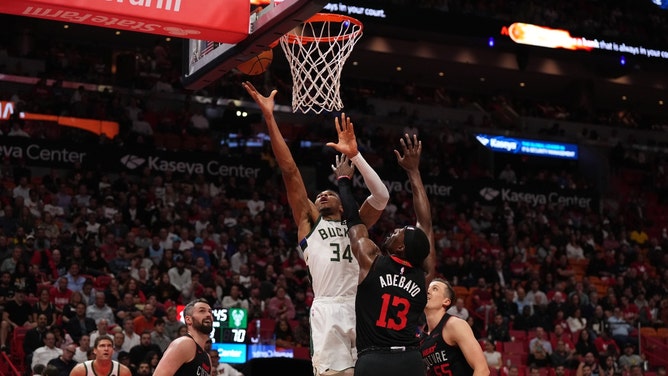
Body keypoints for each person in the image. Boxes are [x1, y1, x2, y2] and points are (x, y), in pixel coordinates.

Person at [242, 82, 389, 376]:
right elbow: (290, 171)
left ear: (342, 202)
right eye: (319, 193)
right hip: (327, 307)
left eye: (330, 192)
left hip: (360, 306)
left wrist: (356, 156)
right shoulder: (310, 221)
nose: (323, 195)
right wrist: (270, 118)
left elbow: (382, 197)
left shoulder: (356, 224)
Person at [333, 133, 436, 376]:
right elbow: (426, 223)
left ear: (401, 248)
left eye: (399, 232)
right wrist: (414, 172)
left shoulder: (371, 260)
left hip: (374, 360)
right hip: (411, 361)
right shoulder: (425, 277)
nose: (394, 231)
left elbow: (354, 220)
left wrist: (344, 180)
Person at [420, 278, 489, 376]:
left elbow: (482, 369)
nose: (428, 292)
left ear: (446, 301)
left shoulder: (454, 324)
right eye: (428, 289)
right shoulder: (422, 338)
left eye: (435, 289)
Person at [153, 298, 213, 376]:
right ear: (188, 320)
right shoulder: (184, 343)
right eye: (202, 311)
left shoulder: (207, 357)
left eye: (210, 312)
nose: (208, 315)